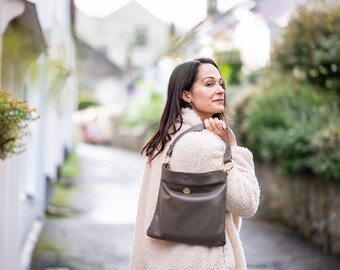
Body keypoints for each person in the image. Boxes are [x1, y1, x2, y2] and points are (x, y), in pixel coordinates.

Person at [130, 57, 260, 269]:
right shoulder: (205, 146)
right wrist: (234, 149)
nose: (220, 90)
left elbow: (145, 215)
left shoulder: (161, 143)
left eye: (220, 83)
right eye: (209, 84)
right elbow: (247, 203)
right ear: (186, 94)